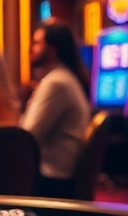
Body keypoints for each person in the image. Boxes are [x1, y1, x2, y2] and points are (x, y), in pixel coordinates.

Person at [21, 23, 92, 198]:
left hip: (51, 178)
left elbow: (27, 138)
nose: (32, 49)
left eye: (37, 43)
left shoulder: (56, 83)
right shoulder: (65, 78)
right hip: (59, 175)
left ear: (52, 50)